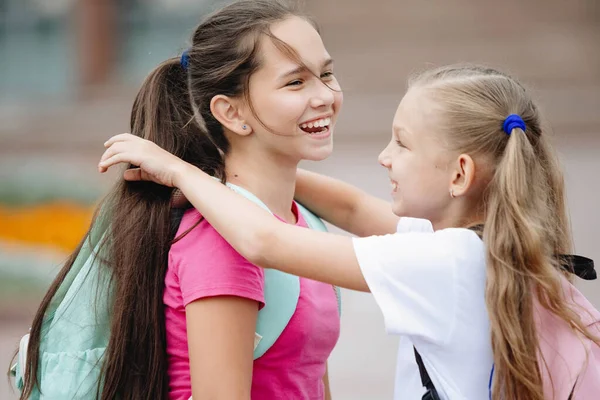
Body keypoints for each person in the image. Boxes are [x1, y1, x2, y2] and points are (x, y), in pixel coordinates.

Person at [100, 64, 600, 400]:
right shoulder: (492, 247)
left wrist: (180, 171)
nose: (384, 157)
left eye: (401, 144)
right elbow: (355, 206)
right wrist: (253, 165)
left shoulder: (445, 263)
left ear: (459, 175)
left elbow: (265, 242)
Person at [18, 1, 343, 399]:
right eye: (296, 82)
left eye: (326, 73)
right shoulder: (225, 243)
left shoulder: (301, 219)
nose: (324, 95)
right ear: (231, 112)